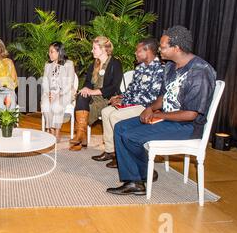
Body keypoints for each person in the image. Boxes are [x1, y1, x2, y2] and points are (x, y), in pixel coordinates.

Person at [107, 26, 216, 196]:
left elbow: (191, 114)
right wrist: (150, 108)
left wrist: (158, 115)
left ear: (177, 48)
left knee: (130, 136)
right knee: (121, 128)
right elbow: (164, 96)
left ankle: (137, 181)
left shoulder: (200, 72)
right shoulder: (171, 67)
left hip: (188, 126)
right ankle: (141, 174)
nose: (159, 50)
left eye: (163, 47)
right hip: (167, 119)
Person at [92, 38, 164, 168]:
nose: (135, 53)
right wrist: (120, 97)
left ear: (147, 51)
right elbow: (132, 90)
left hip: (146, 108)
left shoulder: (159, 70)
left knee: (115, 116)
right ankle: (110, 151)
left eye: (138, 51)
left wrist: (124, 100)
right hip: (134, 103)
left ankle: (122, 156)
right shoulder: (140, 68)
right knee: (105, 111)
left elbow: (150, 98)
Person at [69, 36, 123, 151]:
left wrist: (92, 91)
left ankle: (80, 136)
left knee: (84, 102)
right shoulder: (94, 64)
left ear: (103, 49)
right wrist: (85, 89)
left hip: (108, 98)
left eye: (94, 48)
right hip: (94, 97)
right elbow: (88, 82)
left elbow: (114, 87)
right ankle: (80, 135)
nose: (91, 51)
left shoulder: (115, 63)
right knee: (81, 96)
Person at [41, 42, 75, 143]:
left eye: (52, 52)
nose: (49, 54)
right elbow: (45, 81)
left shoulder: (69, 64)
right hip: (50, 93)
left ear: (59, 52)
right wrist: (48, 93)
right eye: (49, 52)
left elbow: (70, 82)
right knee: (45, 104)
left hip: (65, 93)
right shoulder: (48, 65)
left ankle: (57, 130)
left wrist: (58, 94)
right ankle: (50, 129)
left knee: (57, 105)